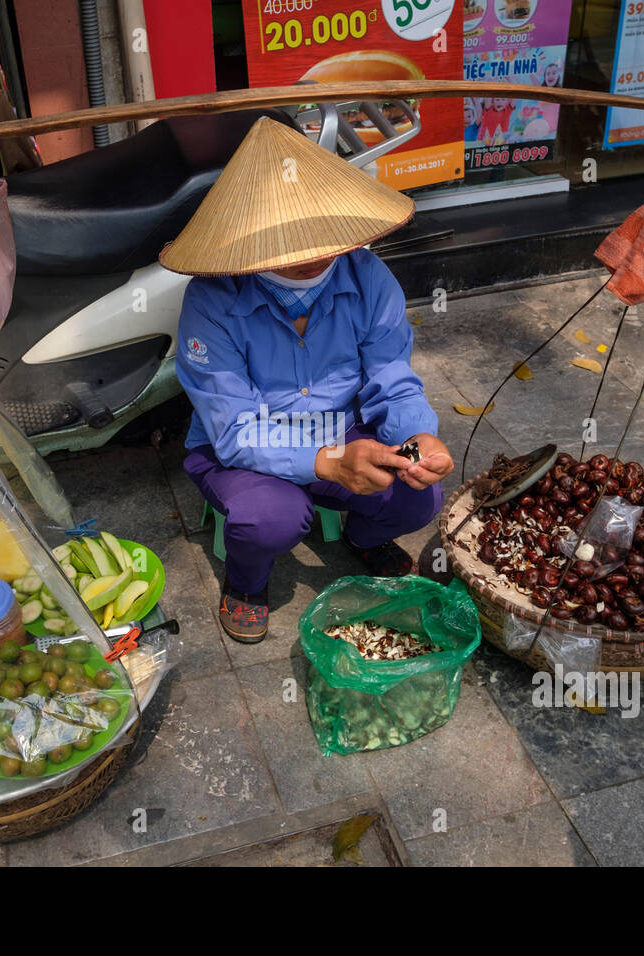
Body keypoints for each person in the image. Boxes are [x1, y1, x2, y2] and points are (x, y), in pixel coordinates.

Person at [159, 116, 454, 643]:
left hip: (342, 429)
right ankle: (247, 584)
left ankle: (363, 535)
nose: (309, 256)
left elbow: (393, 378)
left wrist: (418, 435)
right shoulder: (212, 301)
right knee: (270, 517)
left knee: (420, 497)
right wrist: (328, 463)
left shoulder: (367, 278)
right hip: (243, 447)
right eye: (286, 242)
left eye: (319, 237)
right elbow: (235, 431)